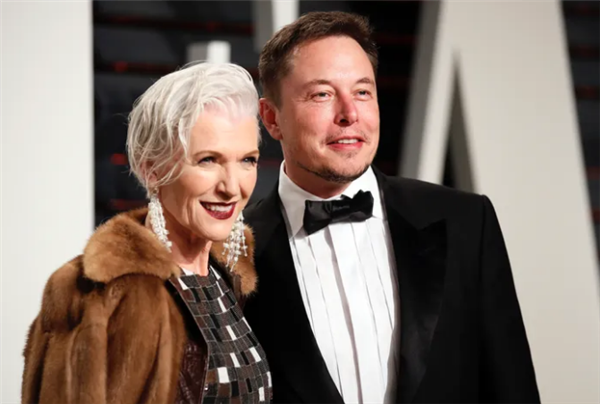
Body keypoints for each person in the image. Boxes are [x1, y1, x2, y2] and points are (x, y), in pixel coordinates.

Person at [243, 11, 540, 404]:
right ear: (271, 118)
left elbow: (512, 386)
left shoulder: (466, 221)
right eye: (322, 94)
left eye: (362, 92)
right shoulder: (229, 249)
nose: (349, 114)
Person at [21, 62, 273, 404]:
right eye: (208, 160)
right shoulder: (100, 296)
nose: (232, 187)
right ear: (152, 170)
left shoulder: (232, 278)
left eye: (247, 160)